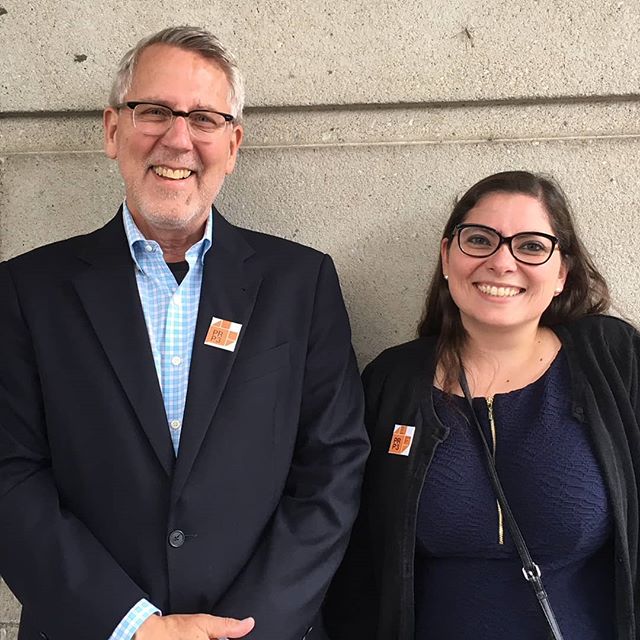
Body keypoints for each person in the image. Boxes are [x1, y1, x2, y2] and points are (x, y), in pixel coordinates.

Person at [0, 26, 369, 640]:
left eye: (204, 118)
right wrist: (133, 626)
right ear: (114, 130)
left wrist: (243, 628)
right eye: (155, 112)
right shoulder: (25, 291)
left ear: (233, 143)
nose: (178, 139)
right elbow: (10, 474)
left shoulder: (300, 284)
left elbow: (333, 465)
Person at [323, 170, 639, 639]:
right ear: (447, 257)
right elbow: (359, 560)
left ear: (561, 273)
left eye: (531, 246)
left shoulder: (611, 358)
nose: (502, 261)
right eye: (480, 240)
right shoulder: (393, 381)